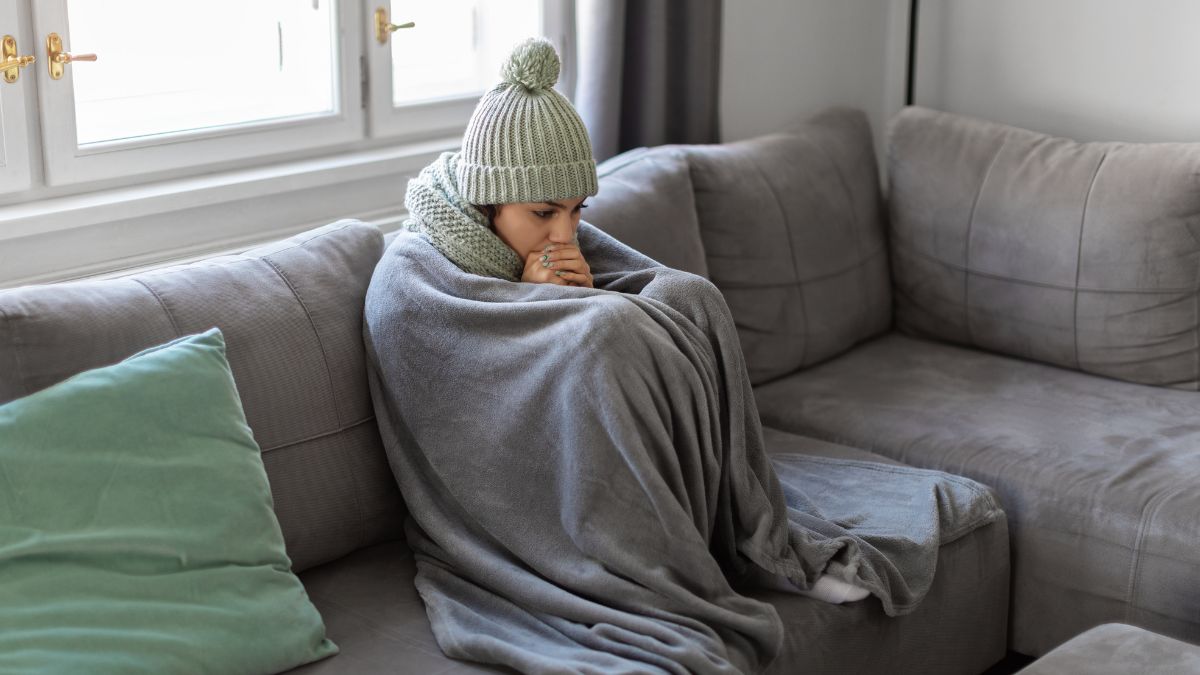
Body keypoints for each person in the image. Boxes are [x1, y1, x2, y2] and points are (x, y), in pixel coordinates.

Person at [402, 37, 596, 289]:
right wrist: (535, 298)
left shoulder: (573, 257)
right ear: (485, 202)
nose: (565, 236)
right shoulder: (413, 277)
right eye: (543, 212)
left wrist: (587, 295)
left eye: (578, 208)